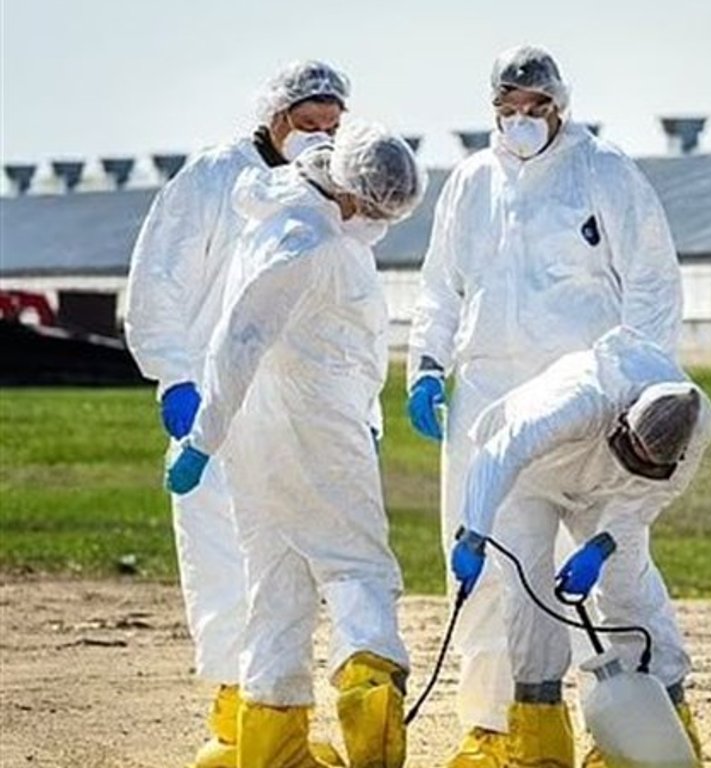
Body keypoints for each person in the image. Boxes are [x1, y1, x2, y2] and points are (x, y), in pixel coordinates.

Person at [404, 45, 684, 767]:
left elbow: (652, 282)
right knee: (492, 564)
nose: (522, 121)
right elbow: (441, 286)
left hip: (587, 394)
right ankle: (502, 728)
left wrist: (641, 380)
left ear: (561, 105)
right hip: (488, 397)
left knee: (614, 566)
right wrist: (426, 365)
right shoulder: (469, 182)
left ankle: (640, 728)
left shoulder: (605, 172)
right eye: (508, 110)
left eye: (536, 108)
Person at [164, 121, 426, 768]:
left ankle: (273, 743)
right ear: (349, 189)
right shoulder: (309, 243)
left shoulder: (279, 224)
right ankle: (372, 720)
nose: (375, 221)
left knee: (276, 583)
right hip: (317, 427)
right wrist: (202, 436)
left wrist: (214, 439)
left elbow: (248, 344)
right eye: (372, 208)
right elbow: (239, 342)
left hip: (259, 438)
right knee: (357, 568)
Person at [123, 58, 350, 768]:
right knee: (224, 565)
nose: (319, 138)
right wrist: (174, 380)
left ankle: (279, 717)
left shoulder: (324, 188)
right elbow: (155, 283)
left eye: (332, 128)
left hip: (291, 409)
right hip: (213, 409)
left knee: (288, 568)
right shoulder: (211, 178)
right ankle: (236, 721)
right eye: (308, 124)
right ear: (275, 117)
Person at [449, 326, 711, 768]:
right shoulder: (579, 400)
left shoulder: (697, 425)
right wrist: (474, 533)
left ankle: (666, 727)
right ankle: (541, 741)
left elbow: (649, 499)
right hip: (531, 481)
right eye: (631, 450)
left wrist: (602, 546)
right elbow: (499, 456)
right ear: (624, 418)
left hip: (615, 494)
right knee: (529, 592)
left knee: (630, 590)